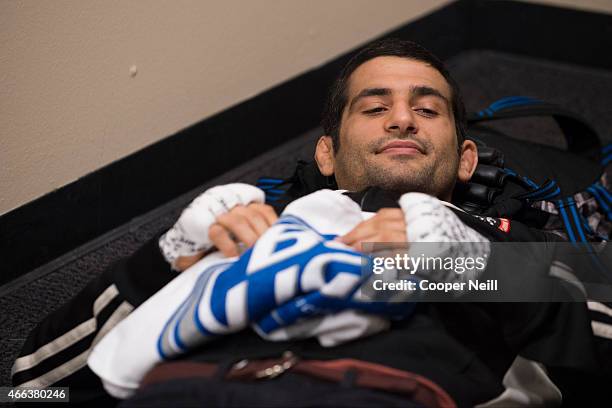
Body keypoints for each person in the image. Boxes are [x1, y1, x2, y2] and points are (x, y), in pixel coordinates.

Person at [11, 38, 604, 407]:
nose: (402, 119)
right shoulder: (244, 230)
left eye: (427, 109)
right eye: (374, 108)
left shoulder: (515, 249)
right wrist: (160, 260)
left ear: (467, 158)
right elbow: (32, 386)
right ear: (326, 155)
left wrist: (474, 270)